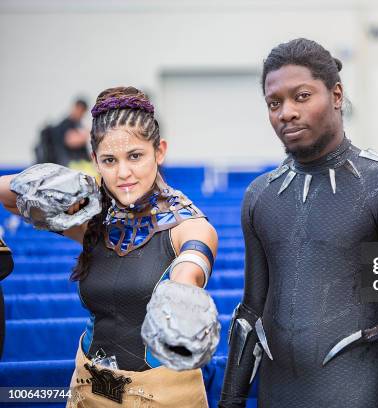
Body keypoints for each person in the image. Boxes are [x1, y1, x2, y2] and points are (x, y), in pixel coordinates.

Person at [219, 38, 378, 408]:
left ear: (336, 95)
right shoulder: (259, 197)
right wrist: (229, 401)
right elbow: (251, 312)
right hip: (278, 394)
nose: (286, 112)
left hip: (362, 394)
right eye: (274, 103)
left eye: (302, 96)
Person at [0, 86, 220, 407]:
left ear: (159, 151)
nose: (123, 173)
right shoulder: (91, 221)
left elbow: (192, 265)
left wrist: (184, 289)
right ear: (95, 161)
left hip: (162, 396)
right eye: (109, 160)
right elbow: (7, 196)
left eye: (135, 156)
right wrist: (54, 180)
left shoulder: (188, 225)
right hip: (88, 389)